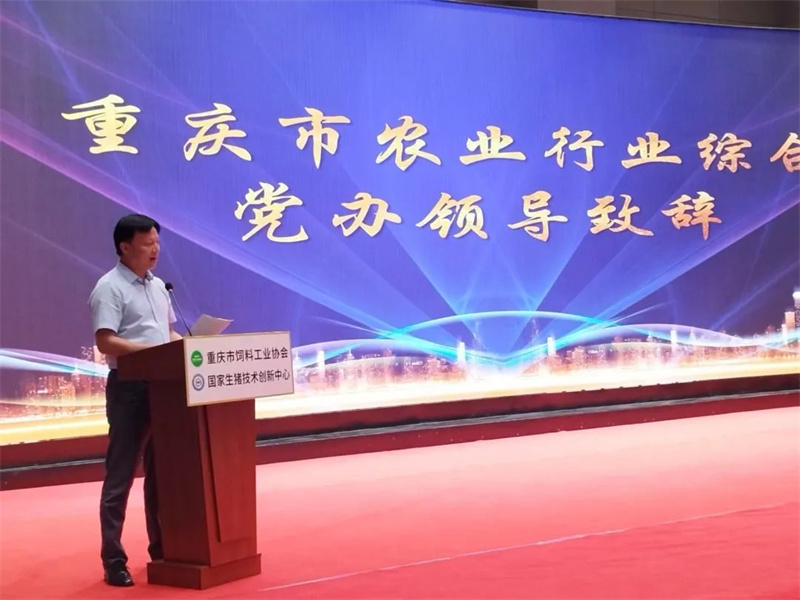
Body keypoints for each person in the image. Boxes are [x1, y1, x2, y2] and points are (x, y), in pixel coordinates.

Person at [89, 214, 182, 587]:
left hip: (164, 388)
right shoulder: (109, 288)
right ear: (125, 247)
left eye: (157, 242)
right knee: (121, 475)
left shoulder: (159, 286)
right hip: (129, 389)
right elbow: (105, 341)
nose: (155, 249)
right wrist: (152, 352)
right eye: (147, 244)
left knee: (161, 474)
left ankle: (162, 550)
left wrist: (194, 348)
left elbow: (167, 334)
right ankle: (114, 560)